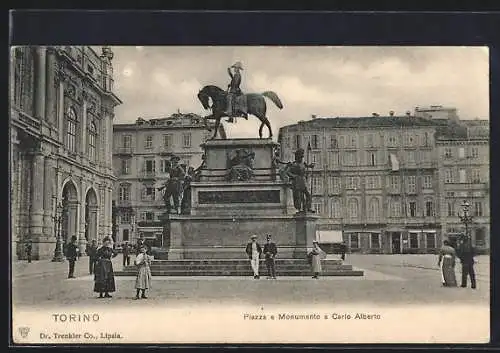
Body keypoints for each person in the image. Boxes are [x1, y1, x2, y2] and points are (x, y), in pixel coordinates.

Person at [287, 148, 315, 213]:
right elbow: (288, 172)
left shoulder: (303, 163)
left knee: (308, 194)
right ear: (297, 156)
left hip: (303, 180)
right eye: (301, 156)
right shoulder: (294, 164)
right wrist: (294, 176)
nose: (302, 158)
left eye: (302, 156)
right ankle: (299, 209)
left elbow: (307, 166)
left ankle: (308, 207)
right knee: (299, 196)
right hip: (297, 181)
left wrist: (311, 166)